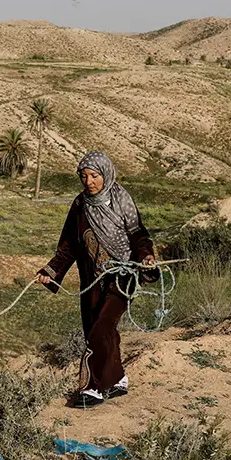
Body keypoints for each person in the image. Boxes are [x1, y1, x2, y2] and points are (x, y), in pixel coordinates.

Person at [37, 151, 159, 409]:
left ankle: (93, 386)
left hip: (123, 275)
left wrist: (146, 256)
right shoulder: (80, 206)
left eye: (94, 176)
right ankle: (118, 379)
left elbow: (138, 234)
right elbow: (70, 245)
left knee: (101, 327)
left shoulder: (122, 199)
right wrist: (51, 271)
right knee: (99, 326)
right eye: (84, 176)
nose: (89, 182)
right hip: (91, 277)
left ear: (106, 174)